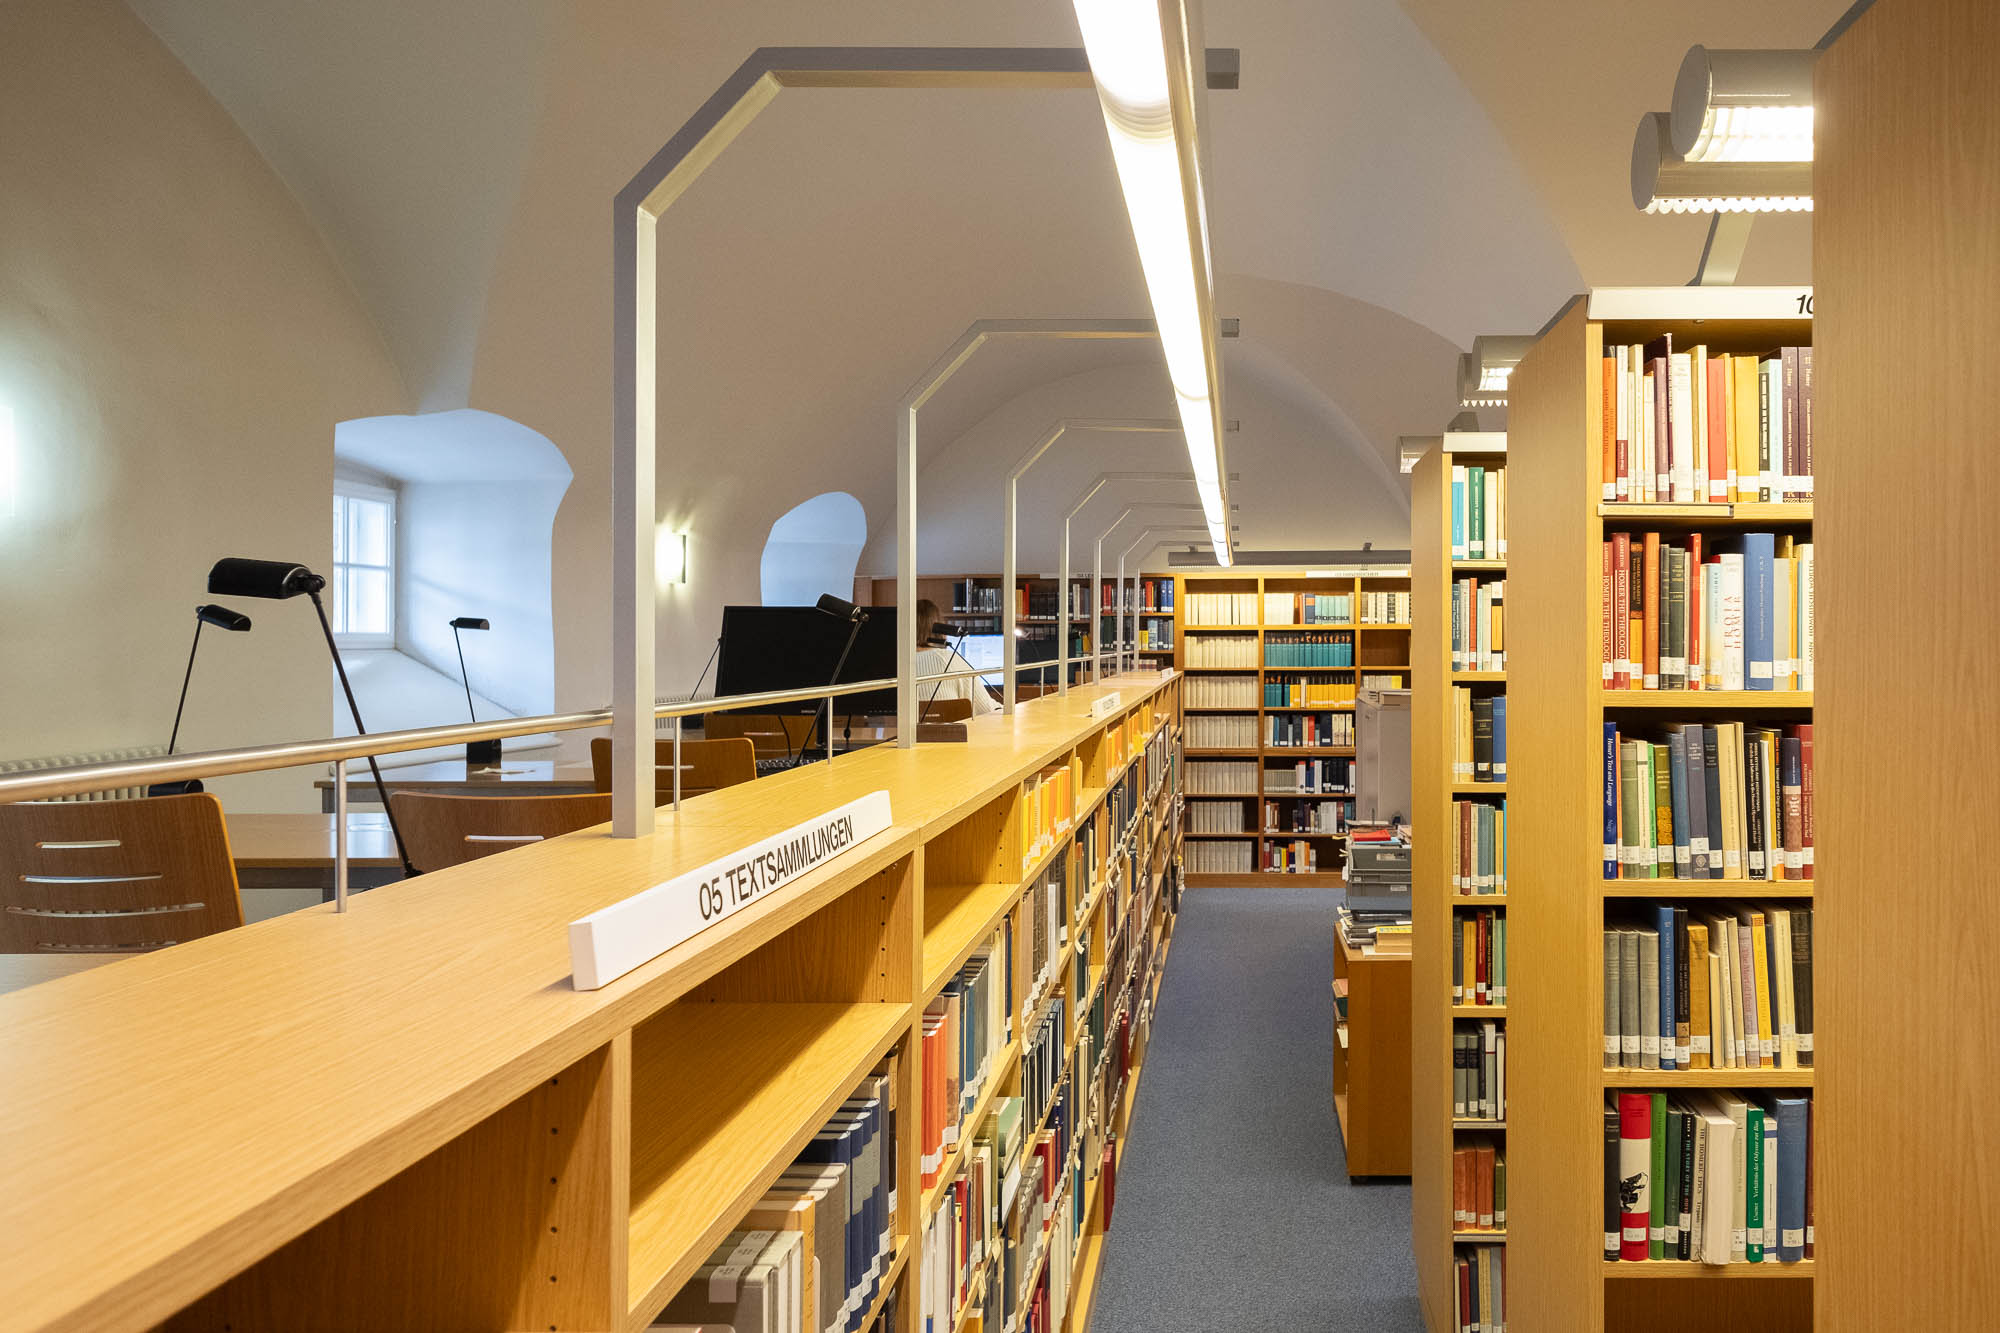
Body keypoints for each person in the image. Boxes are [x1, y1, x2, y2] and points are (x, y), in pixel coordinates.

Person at [914, 599, 1000, 715]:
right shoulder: (949, 659)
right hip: (947, 733)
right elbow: (986, 710)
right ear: (939, 627)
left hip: (894, 733)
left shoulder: (892, 663)